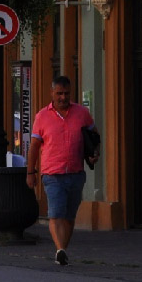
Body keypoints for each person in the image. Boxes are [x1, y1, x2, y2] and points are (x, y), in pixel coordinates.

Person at [27, 75, 97, 267]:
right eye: (59, 93)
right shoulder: (42, 116)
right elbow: (34, 147)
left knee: (69, 216)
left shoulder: (82, 113)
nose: (63, 97)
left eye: (66, 93)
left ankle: (62, 251)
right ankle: (59, 249)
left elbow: (93, 136)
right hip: (52, 173)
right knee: (56, 214)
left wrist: (93, 153)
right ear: (52, 93)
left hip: (75, 172)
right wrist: (30, 172)